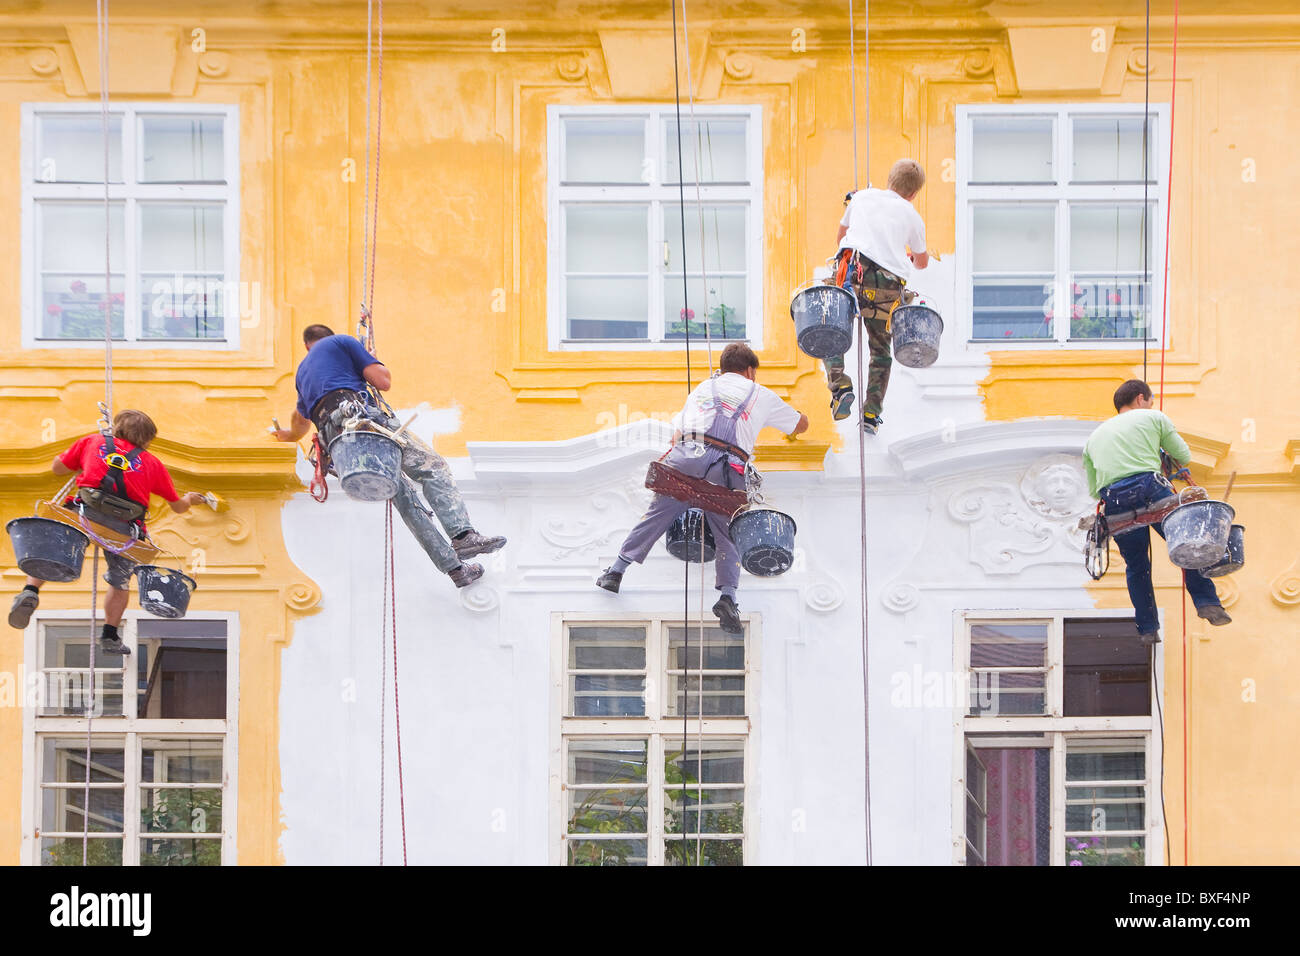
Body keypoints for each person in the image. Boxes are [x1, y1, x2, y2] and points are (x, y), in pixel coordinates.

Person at [596, 343, 809, 633]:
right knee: (727, 534)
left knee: (658, 514)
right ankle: (727, 597)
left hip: (687, 456)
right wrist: (794, 416)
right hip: (729, 469)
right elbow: (801, 425)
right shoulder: (762, 395)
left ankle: (616, 572)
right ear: (750, 371)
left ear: (723, 368)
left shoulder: (701, 389)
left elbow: (676, 435)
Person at [273, 325, 504, 588]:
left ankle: (456, 570)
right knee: (433, 467)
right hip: (359, 421)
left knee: (404, 499)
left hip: (339, 445)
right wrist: (369, 358)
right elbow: (383, 382)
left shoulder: (303, 373)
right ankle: (463, 535)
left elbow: (300, 421)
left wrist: (287, 436)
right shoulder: (343, 343)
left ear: (307, 346)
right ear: (331, 337)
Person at [7, 410, 207, 655]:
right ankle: (110, 635)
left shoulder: (94, 442)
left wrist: (87, 461)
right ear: (147, 439)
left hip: (83, 513)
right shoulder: (153, 463)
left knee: (53, 547)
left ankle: (30, 592)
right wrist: (189, 499)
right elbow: (177, 506)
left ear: (117, 427)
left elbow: (57, 468)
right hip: (123, 529)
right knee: (119, 579)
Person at [1082, 380, 1230, 644]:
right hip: (1150, 488)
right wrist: (1156, 451)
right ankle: (1207, 602)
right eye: (1150, 401)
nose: (1151, 405)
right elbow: (1182, 455)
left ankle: (1147, 627)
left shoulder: (1093, 439)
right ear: (1141, 399)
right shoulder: (1153, 417)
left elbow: (1095, 489)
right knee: (1188, 545)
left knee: (1137, 566)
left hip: (1114, 501)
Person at [825, 159, 931, 434]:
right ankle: (871, 412)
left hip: (853, 275)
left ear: (889, 180)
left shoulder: (861, 198)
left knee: (829, 328)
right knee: (881, 351)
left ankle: (840, 385)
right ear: (913, 194)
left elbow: (841, 237)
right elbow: (922, 262)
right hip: (887, 289)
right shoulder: (912, 215)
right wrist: (908, 255)